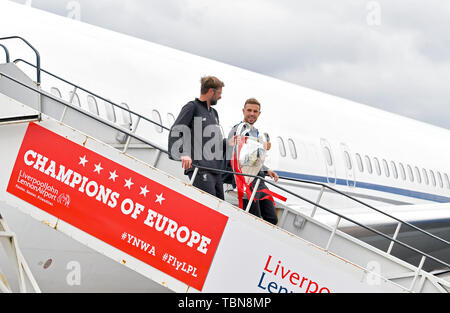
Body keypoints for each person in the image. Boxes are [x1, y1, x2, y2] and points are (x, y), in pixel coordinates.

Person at [168, 76, 225, 200]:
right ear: (211, 91)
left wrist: (231, 142)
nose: (220, 97)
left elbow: (216, 143)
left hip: (215, 171)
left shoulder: (214, 113)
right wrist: (183, 153)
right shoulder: (192, 107)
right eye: (219, 93)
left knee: (221, 209)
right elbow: (176, 130)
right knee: (209, 205)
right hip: (200, 169)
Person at [226, 98, 279, 225]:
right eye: (249, 110)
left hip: (258, 180)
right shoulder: (238, 130)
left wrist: (266, 170)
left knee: (272, 218)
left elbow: (253, 158)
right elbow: (234, 157)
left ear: (259, 113)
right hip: (245, 180)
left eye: (255, 111)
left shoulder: (255, 132)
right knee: (253, 217)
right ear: (243, 111)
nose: (252, 114)